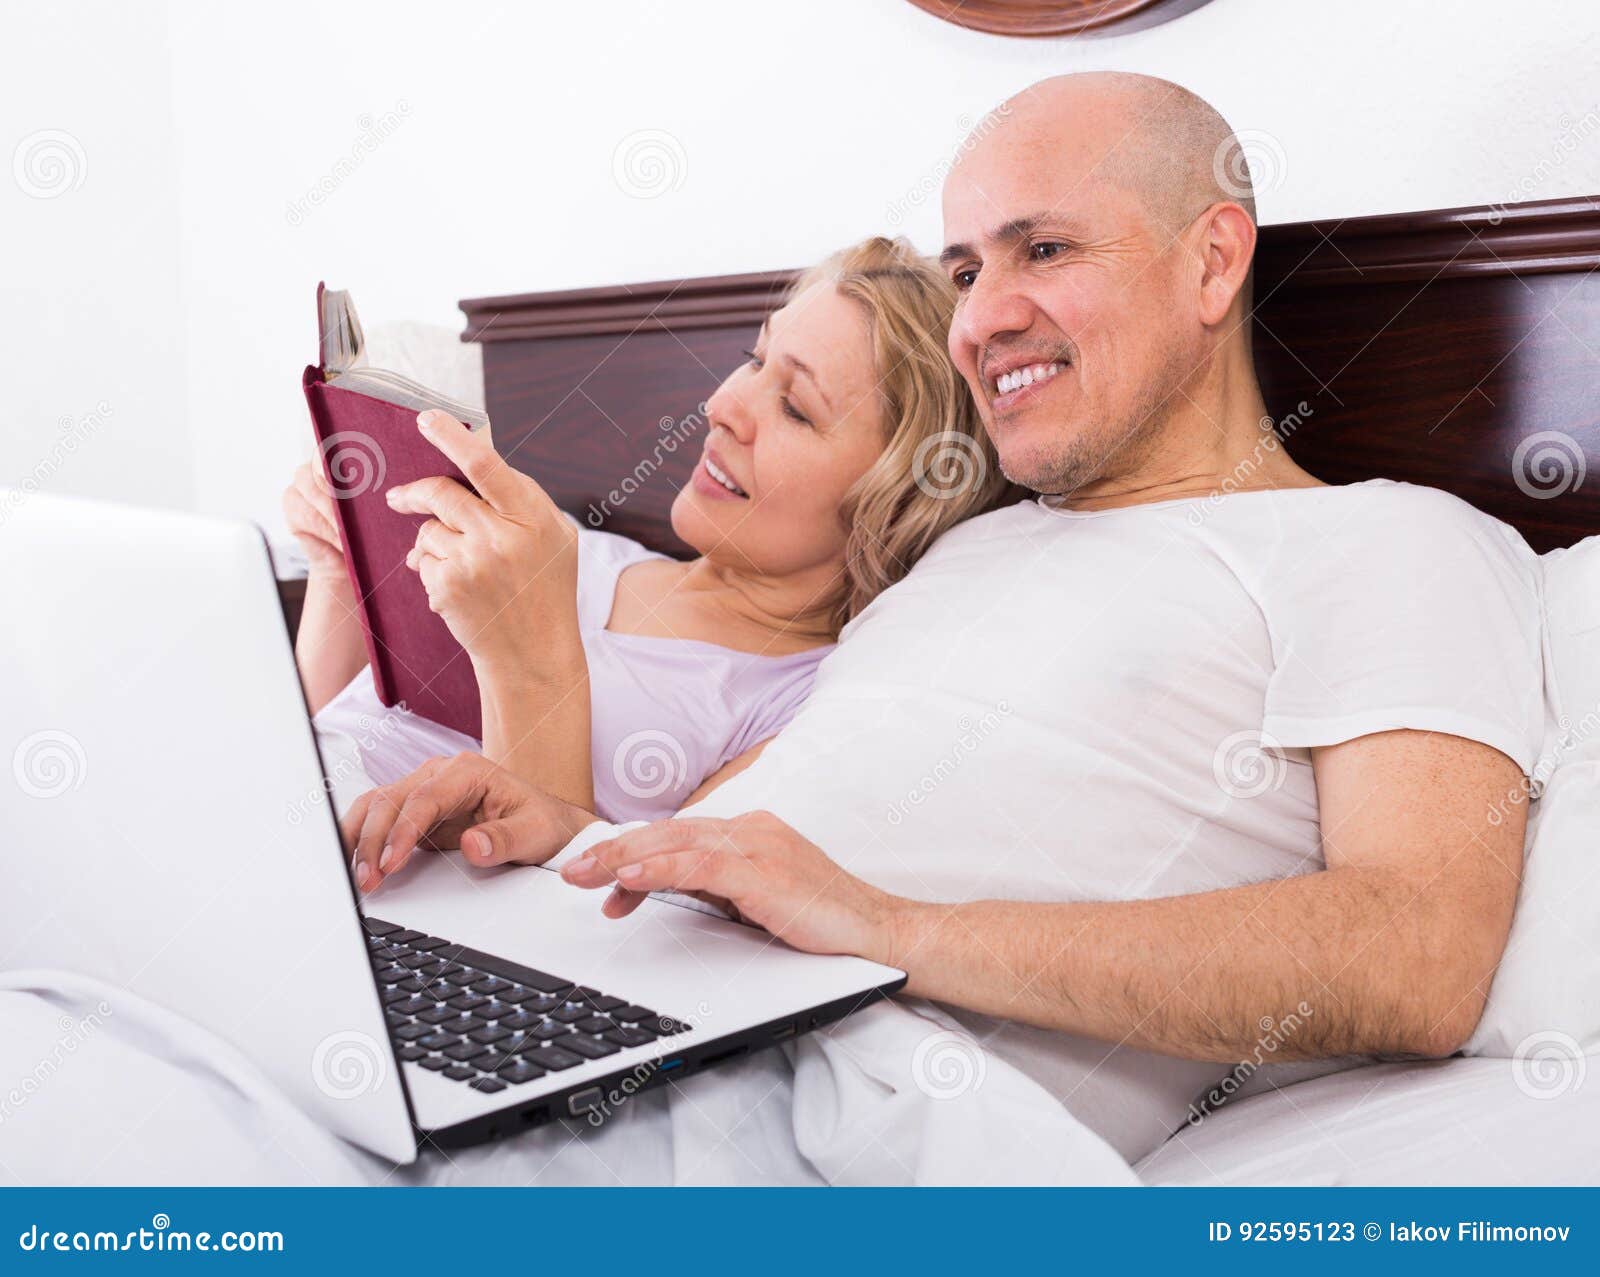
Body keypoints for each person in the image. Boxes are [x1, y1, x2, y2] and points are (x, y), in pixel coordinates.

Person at [342, 73, 1545, 1160]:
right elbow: (744, 834)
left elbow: (1417, 955)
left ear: (1212, 263)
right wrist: (554, 827)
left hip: (824, 1090)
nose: (980, 317)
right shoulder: (968, 553)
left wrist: (882, 924)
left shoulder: (1390, 538)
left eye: (1045, 250)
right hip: (612, 999)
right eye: (967, 269)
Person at [282, 237, 1011, 887]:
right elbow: (329, 729)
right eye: (752, 360)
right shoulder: (562, 543)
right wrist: (337, 571)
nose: (722, 404)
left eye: (796, 406)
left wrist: (526, 654)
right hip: (271, 816)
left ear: (894, 503)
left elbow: (605, 909)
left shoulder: (797, 713)